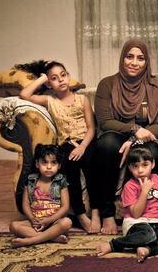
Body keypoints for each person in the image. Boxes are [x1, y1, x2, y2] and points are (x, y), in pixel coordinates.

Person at [93, 39, 158, 235]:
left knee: (150, 152)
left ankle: (142, 214)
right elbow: (104, 121)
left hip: (147, 137)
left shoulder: (157, 86)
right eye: (129, 57)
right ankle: (108, 214)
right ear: (122, 58)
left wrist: (136, 140)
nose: (134, 63)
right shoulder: (107, 84)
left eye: (140, 58)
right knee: (106, 144)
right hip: (118, 133)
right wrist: (133, 129)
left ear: (146, 62)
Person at [19, 61, 99, 234]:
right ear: (49, 83)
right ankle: (80, 213)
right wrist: (42, 78)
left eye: (63, 75)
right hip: (67, 144)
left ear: (68, 76)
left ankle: (96, 211)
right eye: (54, 78)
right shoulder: (50, 100)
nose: (61, 80)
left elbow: (92, 127)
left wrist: (83, 146)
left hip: (86, 141)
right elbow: (24, 95)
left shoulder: (82, 99)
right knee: (70, 167)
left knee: (92, 164)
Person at [94, 145, 158, 263]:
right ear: (130, 168)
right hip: (135, 224)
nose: (140, 170)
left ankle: (148, 250)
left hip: (155, 225)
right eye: (135, 166)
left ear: (152, 164)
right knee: (148, 235)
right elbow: (136, 214)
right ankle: (113, 245)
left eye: (145, 165)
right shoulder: (130, 186)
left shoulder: (157, 179)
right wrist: (144, 192)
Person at [9, 144, 72, 248]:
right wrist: (32, 219)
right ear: (37, 164)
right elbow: (25, 205)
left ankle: (32, 240)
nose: (49, 166)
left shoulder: (60, 181)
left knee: (67, 222)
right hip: (36, 222)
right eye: (44, 162)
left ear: (59, 165)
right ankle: (52, 238)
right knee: (13, 226)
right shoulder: (31, 181)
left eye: (54, 163)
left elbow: (65, 207)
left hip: (54, 222)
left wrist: (48, 220)